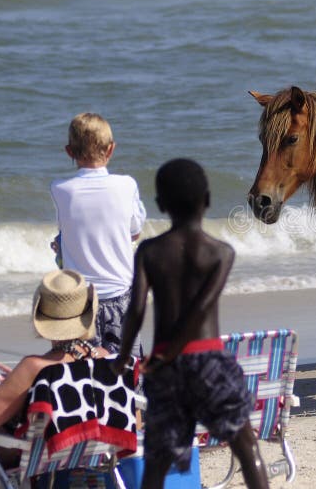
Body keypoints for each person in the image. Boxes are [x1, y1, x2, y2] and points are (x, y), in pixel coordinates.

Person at [113, 159, 269, 489]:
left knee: (157, 461)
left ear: (159, 205)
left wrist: (122, 358)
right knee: (246, 447)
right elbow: (201, 307)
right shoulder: (220, 253)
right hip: (208, 361)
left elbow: (136, 311)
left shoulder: (149, 252)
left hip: (165, 369)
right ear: (207, 200)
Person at [0, 270, 108, 457]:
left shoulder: (33, 368)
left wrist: (17, 383)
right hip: (89, 461)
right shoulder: (106, 359)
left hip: (31, 465)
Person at [50, 113, 146, 356]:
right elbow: (134, 233)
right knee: (126, 372)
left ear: (69, 151)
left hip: (79, 301)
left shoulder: (60, 189)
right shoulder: (127, 185)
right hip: (120, 296)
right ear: (111, 149)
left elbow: (67, 228)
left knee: (82, 372)